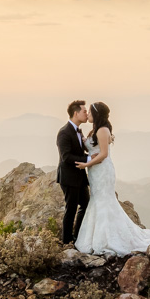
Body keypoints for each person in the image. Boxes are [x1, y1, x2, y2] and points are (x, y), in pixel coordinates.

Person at [73, 101, 150, 255]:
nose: (87, 114)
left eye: (89, 112)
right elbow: (95, 150)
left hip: (102, 171)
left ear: (96, 114)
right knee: (98, 200)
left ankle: (107, 238)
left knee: (104, 201)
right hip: (96, 171)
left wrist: (85, 165)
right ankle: (98, 235)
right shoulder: (96, 130)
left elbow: (103, 154)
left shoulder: (102, 130)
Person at [56, 100, 90, 245]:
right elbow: (66, 157)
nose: (87, 114)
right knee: (70, 209)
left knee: (85, 204)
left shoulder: (79, 130)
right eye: (84, 111)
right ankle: (67, 241)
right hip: (69, 178)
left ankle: (77, 235)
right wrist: (88, 158)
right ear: (75, 113)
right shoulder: (64, 132)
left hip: (80, 177)